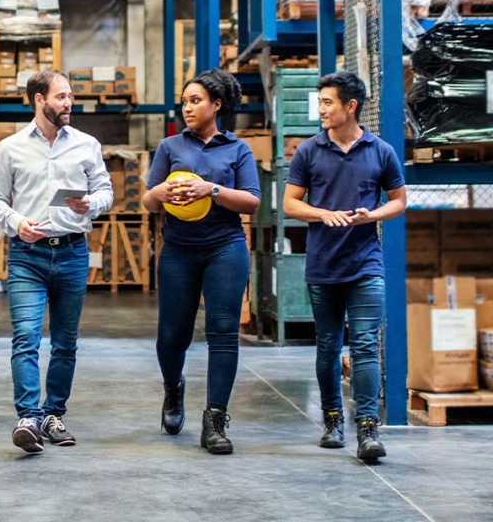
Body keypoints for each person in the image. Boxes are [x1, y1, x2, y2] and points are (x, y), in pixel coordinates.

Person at [0, 70, 113, 454]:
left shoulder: (87, 145)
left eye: (70, 96)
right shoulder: (10, 149)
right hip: (27, 255)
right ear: (39, 100)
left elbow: (105, 191)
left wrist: (91, 203)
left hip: (73, 253)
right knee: (25, 337)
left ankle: (54, 414)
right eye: (61, 97)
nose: (68, 103)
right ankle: (28, 417)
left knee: (65, 342)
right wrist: (16, 223)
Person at [283, 70, 406, 462]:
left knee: (365, 344)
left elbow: (399, 201)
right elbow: (290, 204)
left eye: (327, 102)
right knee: (328, 345)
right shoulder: (308, 151)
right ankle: (332, 419)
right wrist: (322, 214)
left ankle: (368, 428)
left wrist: (373, 215)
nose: (320, 109)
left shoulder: (381, 151)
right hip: (323, 265)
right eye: (320, 102)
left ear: (350, 106)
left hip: (366, 264)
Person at [142, 69, 261, 455]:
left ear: (216, 105)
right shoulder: (170, 147)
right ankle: (173, 387)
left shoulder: (237, 149)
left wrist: (211, 189)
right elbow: (148, 200)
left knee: (223, 332)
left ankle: (215, 420)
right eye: (185, 101)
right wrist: (160, 192)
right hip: (178, 249)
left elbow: (252, 201)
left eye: (195, 101)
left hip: (225, 247)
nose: (187, 108)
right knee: (171, 336)